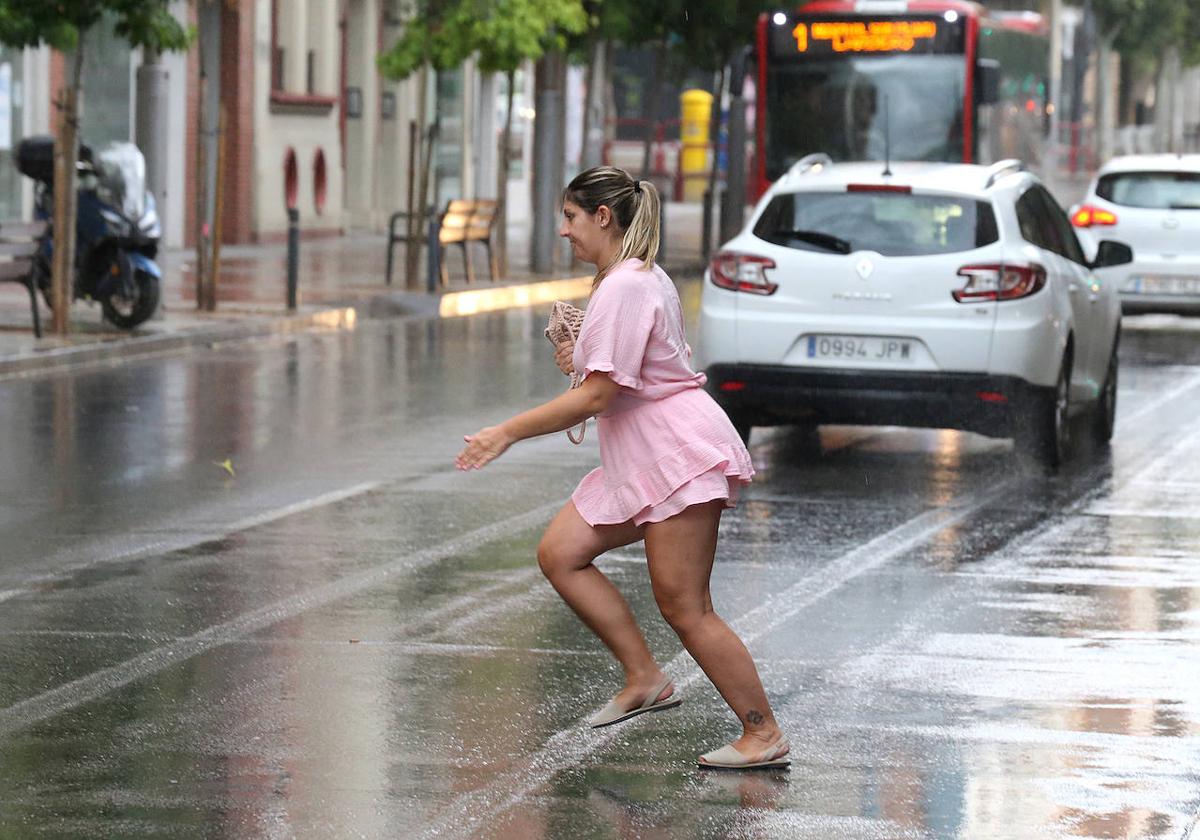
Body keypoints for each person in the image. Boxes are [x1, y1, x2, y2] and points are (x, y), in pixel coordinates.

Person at [455, 166, 788, 770]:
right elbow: (617, 375)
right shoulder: (624, 278)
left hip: (673, 454)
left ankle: (761, 732)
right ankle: (643, 677)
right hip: (639, 453)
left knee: (686, 607)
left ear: (602, 216)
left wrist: (506, 432)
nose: (564, 231)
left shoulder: (627, 285)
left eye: (570, 218)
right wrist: (576, 355)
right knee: (561, 552)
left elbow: (599, 397)